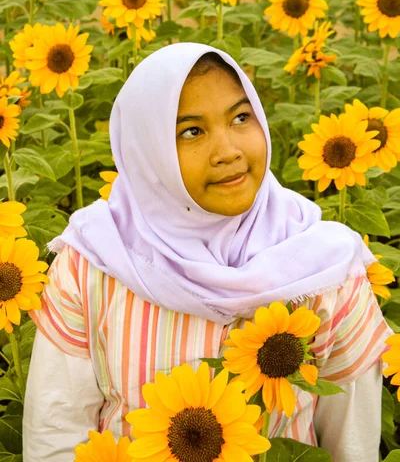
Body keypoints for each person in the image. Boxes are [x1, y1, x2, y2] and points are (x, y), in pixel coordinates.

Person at [23, 43, 392, 461]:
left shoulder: (325, 268)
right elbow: (55, 433)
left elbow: (352, 443)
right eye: (191, 132)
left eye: (240, 117)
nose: (229, 151)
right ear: (147, 153)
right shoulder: (92, 264)